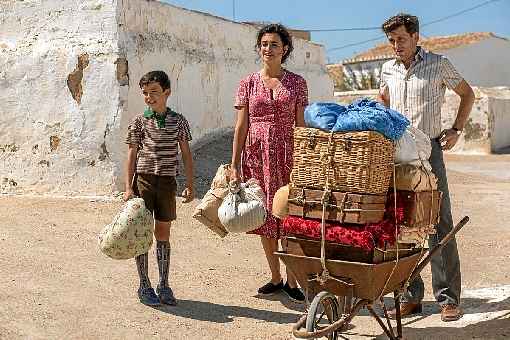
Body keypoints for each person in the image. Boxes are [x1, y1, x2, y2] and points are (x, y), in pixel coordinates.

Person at [378, 13, 475, 321]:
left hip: (429, 150)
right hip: (398, 152)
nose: (396, 46)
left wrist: (457, 129)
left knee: (438, 221)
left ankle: (448, 298)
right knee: (401, 222)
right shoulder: (386, 69)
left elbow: (467, 94)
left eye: (401, 39)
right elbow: (384, 102)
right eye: (392, 41)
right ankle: (409, 295)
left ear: (416, 36)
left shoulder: (438, 64)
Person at [230, 23, 308, 302]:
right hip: (256, 155)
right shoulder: (247, 83)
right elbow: (241, 126)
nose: (268, 49)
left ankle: (292, 281)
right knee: (264, 217)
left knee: (288, 215)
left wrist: (304, 160)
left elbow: (300, 125)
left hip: (288, 155)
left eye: (274, 44)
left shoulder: (297, 83)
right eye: (264, 44)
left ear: (284, 49)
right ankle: (275, 278)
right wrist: (235, 164)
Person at [124, 70, 195, 306]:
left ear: (167, 92)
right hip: (143, 182)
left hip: (167, 183)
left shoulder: (179, 120)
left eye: (154, 92)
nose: (149, 97)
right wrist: (128, 187)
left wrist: (190, 184)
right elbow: (132, 155)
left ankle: (163, 284)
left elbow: (185, 154)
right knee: (142, 234)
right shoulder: (139, 122)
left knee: (163, 234)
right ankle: (144, 285)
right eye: (145, 93)